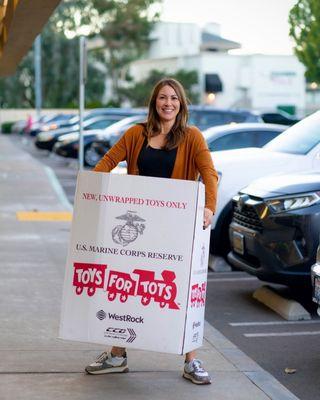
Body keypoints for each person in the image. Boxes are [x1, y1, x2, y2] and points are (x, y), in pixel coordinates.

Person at [85, 78, 219, 385]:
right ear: (154, 102)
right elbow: (107, 161)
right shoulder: (136, 133)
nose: (168, 103)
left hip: (176, 226)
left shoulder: (192, 137)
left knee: (182, 291)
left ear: (181, 104)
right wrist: (90, 192)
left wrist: (209, 206)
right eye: (162, 97)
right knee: (130, 285)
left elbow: (208, 174)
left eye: (174, 98)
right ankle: (118, 355)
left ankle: (191, 360)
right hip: (139, 226)